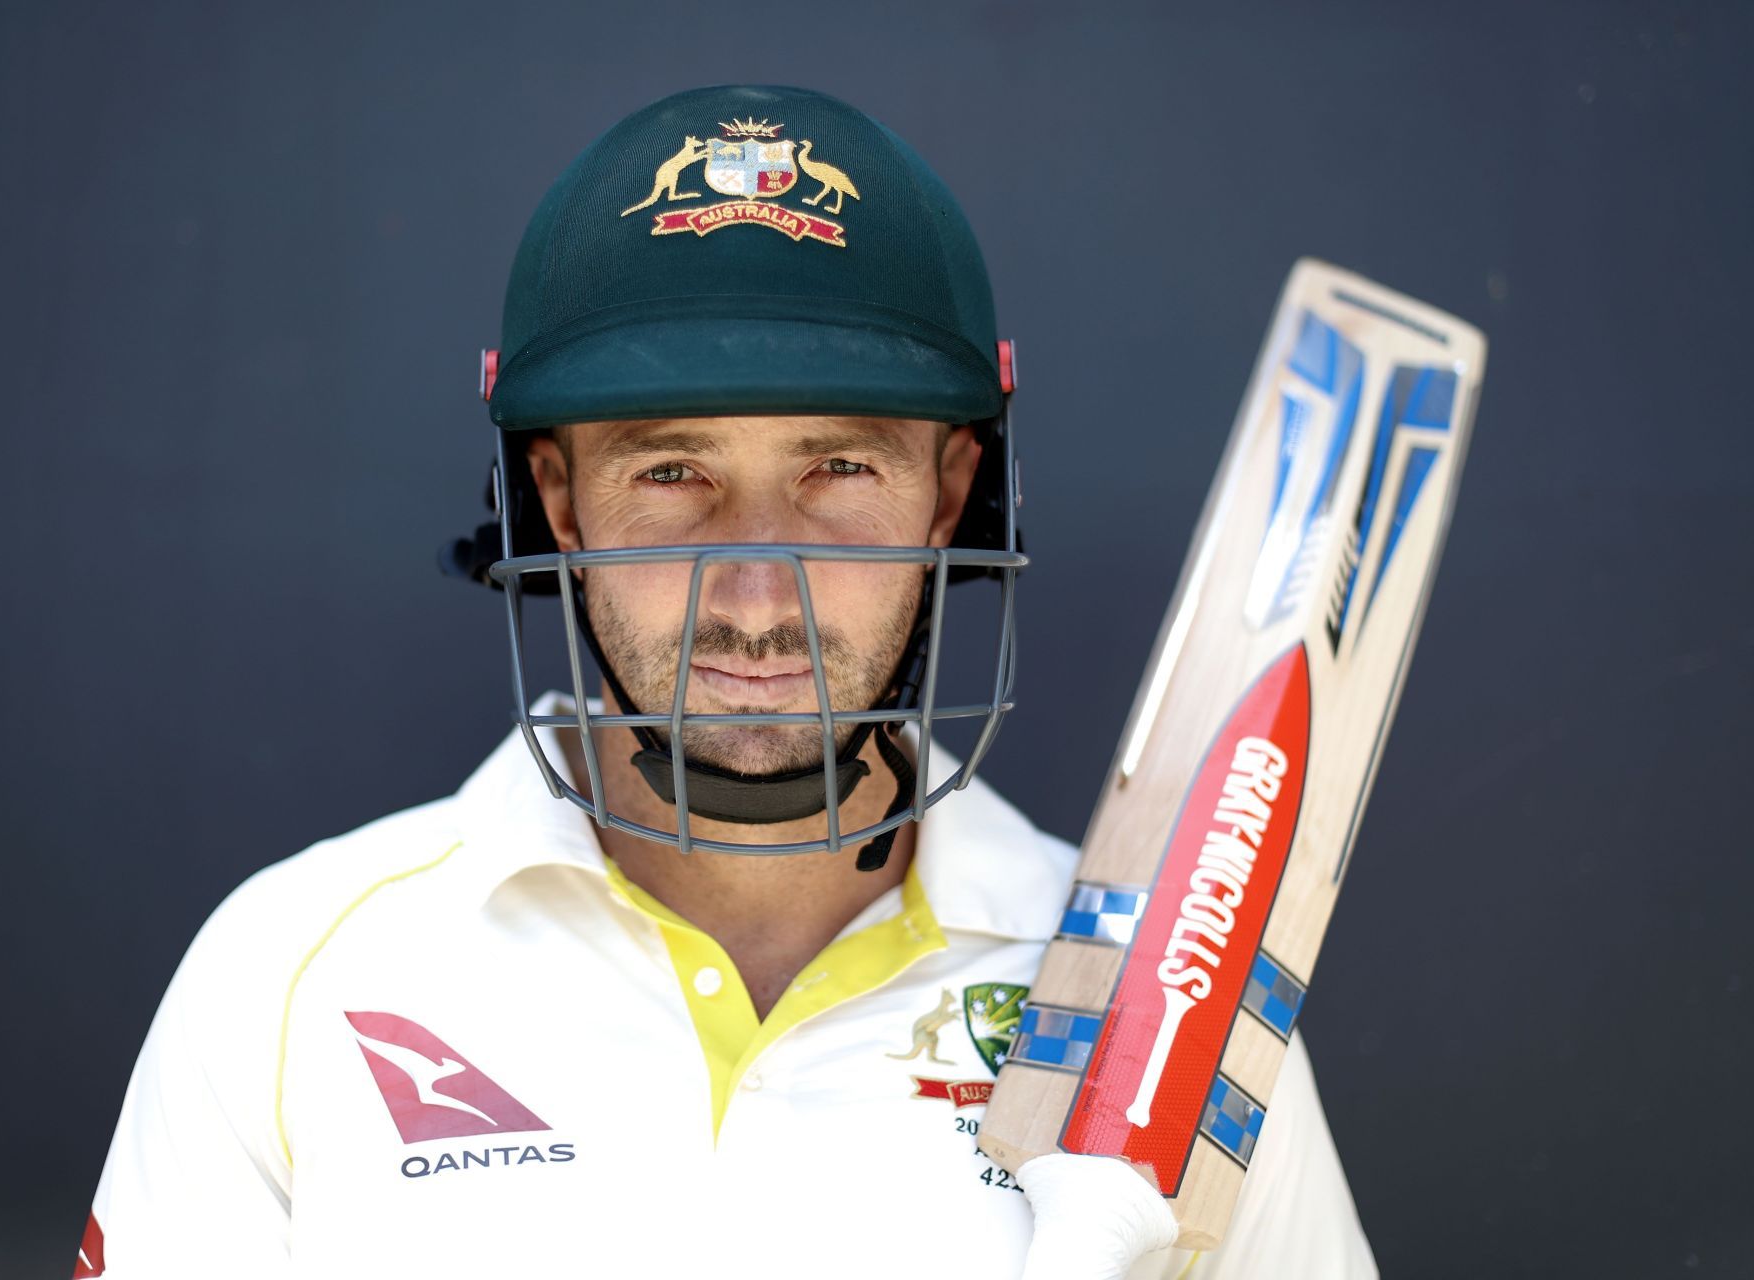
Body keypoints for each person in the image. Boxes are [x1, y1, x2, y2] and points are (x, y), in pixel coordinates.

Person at [75, 84, 1376, 1280]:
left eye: (841, 472)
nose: (757, 600)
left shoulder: (1165, 1005)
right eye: (671, 474)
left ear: (953, 494)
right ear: (558, 502)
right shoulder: (294, 970)